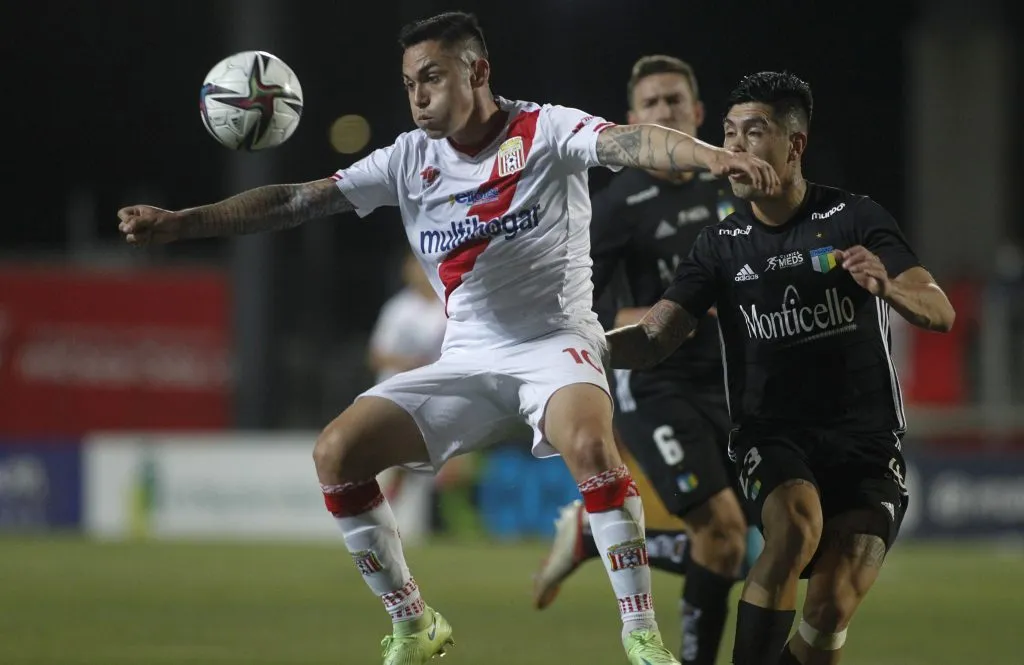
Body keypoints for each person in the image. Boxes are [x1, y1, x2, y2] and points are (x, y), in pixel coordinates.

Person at [116, 12, 778, 665]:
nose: (418, 95)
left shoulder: (545, 129)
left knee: (589, 443)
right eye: (409, 83)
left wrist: (714, 157)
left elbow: (632, 143)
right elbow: (296, 199)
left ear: (478, 71)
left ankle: (641, 638)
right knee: (336, 452)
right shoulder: (408, 158)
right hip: (467, 355)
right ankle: (414, 621)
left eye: (432, 76)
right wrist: (182, 222)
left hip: (554, 342)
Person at [604, 70, 955, 665]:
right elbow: (655, 337)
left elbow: (939, 311)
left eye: (754, 132)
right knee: (793, 525)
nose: (735, 148)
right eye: (729, 133)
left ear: (795, 144)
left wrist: (889, 287)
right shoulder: (718, 245)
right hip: (773, 434)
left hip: (867, 442)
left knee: (828, 612)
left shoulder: (854, 217)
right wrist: (575, 352)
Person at [532, 55, 752, 665]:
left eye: (674, 101)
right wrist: (661, 314)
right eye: (651, 105)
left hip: (735, 384)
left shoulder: (729, 185)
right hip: (654, 383)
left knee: (741, 547)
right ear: (632, 121)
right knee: (725, 531)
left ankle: (585, 535)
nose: (664, 112)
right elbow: (578, 310)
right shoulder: (616, 204)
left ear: (697, 113)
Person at [369, 251, 447, 545]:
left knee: (413, 465)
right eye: (414, 266)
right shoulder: (399, 308)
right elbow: (376, 355)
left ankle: (385, 519)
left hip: (436, 396)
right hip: (394, 394)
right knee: (399, 461)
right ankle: (379, 518)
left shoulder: (448, 305)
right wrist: (410, 364)